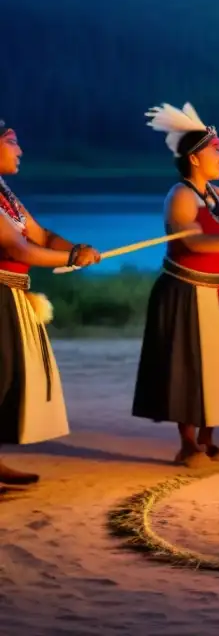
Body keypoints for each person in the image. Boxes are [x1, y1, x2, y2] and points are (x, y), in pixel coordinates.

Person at [131, 102, 219, 467]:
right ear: (195, 158)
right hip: (186, 291)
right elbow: (192, 241)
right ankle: (188, 444)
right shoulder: (179, 196)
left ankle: (209, 441)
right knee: (189, 366)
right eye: (217, 150)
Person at [0, 120, 101, 485]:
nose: (20, 150)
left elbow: (40, 234)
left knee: (8, 377)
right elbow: (17, 247)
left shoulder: (4, 193)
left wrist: (75, 248)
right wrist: (70, 258)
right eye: (11, 142)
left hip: (11, 294)